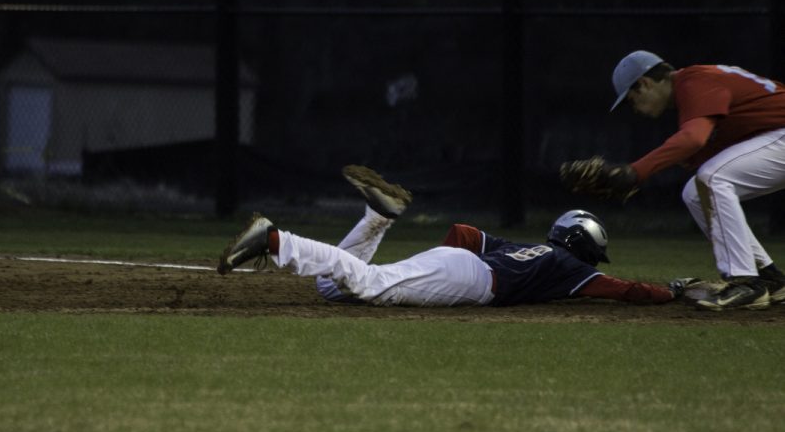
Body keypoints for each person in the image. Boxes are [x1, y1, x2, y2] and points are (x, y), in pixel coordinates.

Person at [217, 165, 676, 307]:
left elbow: (462, 233)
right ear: (586, 248)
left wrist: (442, 264)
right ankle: (277, 241)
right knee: (371, 284)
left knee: (334, 289)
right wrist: (669, 293)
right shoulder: (568, 266)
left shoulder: (525, 248)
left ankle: (378, 217)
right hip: (472, 281)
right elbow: (624, 289)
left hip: (462, 267)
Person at [584, 50, 785, 311]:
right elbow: (702, 148)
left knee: (711, 178)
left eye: (632, 99)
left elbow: (692, 139)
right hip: (776, 136)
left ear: (645, 83)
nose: (635, 108)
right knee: (695, 191)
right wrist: (633, 177)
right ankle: (770, 279)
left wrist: (634, 172)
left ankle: (745, 282)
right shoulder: (697, 84)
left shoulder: (693, 82)